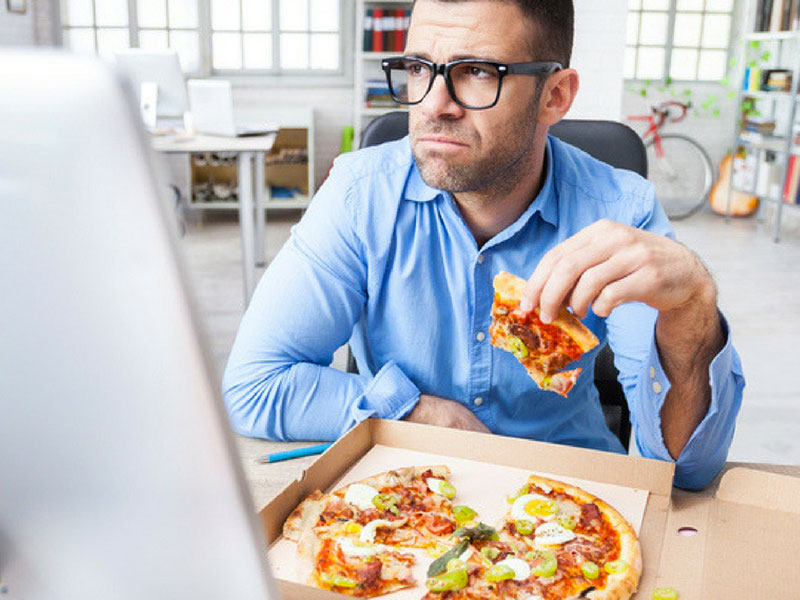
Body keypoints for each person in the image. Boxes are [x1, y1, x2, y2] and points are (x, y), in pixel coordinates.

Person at [223, 0, 744, 490]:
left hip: (573, 502)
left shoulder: (622, 209)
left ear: (555, 96)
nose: (434, 105)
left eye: (476, 72)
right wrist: (416, 410)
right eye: (419, 68)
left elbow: (685, 471)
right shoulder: (359, 195)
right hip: (413, 499)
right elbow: (255, 387)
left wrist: (692, 309)